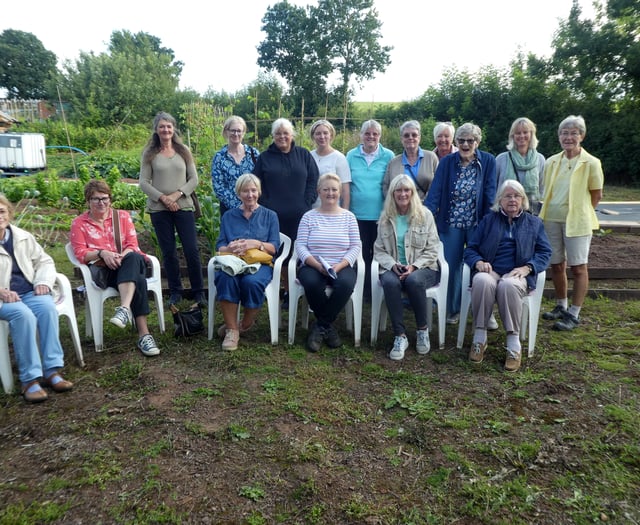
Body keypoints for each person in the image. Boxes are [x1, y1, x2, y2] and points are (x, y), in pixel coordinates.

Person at [463, 180, 552, 371]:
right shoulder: (488, 220)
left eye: (517, 196)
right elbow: (471, 249)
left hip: (516, 273)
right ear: (500, 200)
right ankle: (480, 338)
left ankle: (513, 343)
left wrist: (528, 268)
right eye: (508, 196)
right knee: (481, 280)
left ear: (523, 200)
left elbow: (545, 253)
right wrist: (478, 262)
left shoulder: (534, 223)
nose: (512, 200)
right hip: (492, 270)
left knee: (508, 285)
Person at [70, 180, 160, 357]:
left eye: (104, 198)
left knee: (133, 257)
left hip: (126, 261)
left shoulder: (122, 217)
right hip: (104, 271)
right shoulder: (79, 223)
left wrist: (119, 256)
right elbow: (81, 253)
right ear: (88, 201)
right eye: (95, 199)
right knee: (138, 279)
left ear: (110, 199)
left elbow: (132, 245)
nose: (101, 203)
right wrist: (103, 253)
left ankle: (124, 309)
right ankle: (144, 334)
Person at [0, 195, 73, 403]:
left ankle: (52, 370)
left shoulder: (22, 237)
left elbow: (45, 261)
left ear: (9, 213)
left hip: (28, 291)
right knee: (23, 316)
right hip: (4, 299)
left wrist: (43, 281)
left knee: (47, 308)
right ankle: (29, 379)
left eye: (2, 211)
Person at [424, 122, 497, 325]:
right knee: (451, 266)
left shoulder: (488, 161)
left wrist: (490, 223)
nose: (466, 144)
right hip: (451, 223)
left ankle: (484, 310)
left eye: (470, 140)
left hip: (477, 224)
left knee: (480, 266)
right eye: (462, 140)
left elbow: (491, 193)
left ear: (477, 142)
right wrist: (424, 217)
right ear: (456, 142)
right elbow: (435, 192)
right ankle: (452, 309)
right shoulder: (447, 162)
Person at [539, 115, 604, 331]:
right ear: (559, 136)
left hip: (578, 222)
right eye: (564, 133)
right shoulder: (551, 161)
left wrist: (581, 213)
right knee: (557, 264)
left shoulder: (592, 163)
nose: (568, 137)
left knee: (578, 267)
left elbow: (596, 194)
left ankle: (574, 313)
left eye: (573, 133)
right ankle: (561, 305)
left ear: (582, 136)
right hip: (551, 219)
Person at [139, 111, 205, 307]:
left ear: (174, 128)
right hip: (159, 209)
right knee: (168, 252)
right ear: (156, 130)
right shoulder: (150, 153)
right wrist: (163, 199)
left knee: (192, 250)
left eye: (169, 126)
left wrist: (176, 195)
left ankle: (198, 292)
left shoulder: (183, 150)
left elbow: (194, 179)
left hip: (183, 206)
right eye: (162, 126)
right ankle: (175, 291)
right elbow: (143, 182)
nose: (166, 130)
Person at [373, 175, 440, 361]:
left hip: (423, 267)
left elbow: (433, 249)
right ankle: (400, 335)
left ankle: (422, 330)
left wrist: (414, 266)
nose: (403, 194)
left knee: (413, 280)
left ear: (412, 193)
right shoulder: (386, 217)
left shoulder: (425, 215)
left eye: (407, 190)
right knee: (388, 282)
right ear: (393, 194)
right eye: (398, 190)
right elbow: (378, 250)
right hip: (394, 267)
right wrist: (392, 265)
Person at [295, 173, 361, 352]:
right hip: (313, 265)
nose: (330, 193)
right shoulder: (308, 216)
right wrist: (317, 265)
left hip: (341, 265)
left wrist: (338, 266)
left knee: (346, 284)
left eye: (334, 189)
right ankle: (328, 328)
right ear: (319, 192)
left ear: (339, 192)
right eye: (326, 189)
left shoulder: (349, 217)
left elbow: (356, 246)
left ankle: (320, 327)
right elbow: (300, 245)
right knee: (311, 283)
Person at [215, 173, 281, 351]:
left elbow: (274, 247)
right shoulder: (229, 216)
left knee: (251, 282)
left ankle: (244, 324)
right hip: (234, 261)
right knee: (225, 278)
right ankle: (232, 331)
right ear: (239, 193)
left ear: (259, 192)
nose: (250, 195)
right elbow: (219, 245)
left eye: (253, 190)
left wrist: (257, 244)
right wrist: (230, 248)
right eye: (245, 191)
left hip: (259, 264)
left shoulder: (270, 215)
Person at [346, 119, 394, 296]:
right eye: (367, 133)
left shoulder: (388, 155)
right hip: (356, 214)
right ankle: (362, 288)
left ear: (379, 136)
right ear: (361, 135)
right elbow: (346, 184)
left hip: (380, 215)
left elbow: (391, 184)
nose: (371, 137)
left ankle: (377, 288)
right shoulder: (351, 155)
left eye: (375, 133)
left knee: (379, 252)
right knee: (360, 252)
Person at [253, 118, 319, 244]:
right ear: (273, 136)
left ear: (292, 135)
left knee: (299, 253)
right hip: (273, 216)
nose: (282, 136)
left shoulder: (303, 154)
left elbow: (313, 179)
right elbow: (256, 183)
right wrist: (266, 204)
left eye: (285, 133)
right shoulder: (264, 157)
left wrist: (307, 201)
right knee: (277, 253)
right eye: (278, 133)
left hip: (301, 215)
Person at [211, 116, 260, 216]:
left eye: (239, 131)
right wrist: (239, 207)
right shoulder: (219, 157)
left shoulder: (253, 154)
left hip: (253, 209)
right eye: (233, 130)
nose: (236, 134)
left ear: (243, 132)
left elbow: (260, 180)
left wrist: (250, 205)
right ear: (226, 131)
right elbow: (218, 186)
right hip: (229, 211)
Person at [496, 117, 546, 215]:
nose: (522, 136)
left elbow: (542, 189)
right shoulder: (501, 159)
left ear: (531, 134)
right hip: (505, 214)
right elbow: (494, 189)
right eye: (518, 133)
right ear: (512, 136)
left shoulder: (540, 159)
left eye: (525, 132)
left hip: (531, 213)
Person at [382, 120, 439, 201]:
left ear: (419, 137)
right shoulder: (393, 162)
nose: (410, 138)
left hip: (425, 209)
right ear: (401, 139)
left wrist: (425, 205)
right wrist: (394, 204)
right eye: (406, 135)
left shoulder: (431, 158)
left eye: (414, 135)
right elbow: (386, 187)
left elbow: (438, 185)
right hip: (400, 210)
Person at [309, 119, 351, 209]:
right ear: (313, 136)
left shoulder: (339, 158)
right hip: (312, 209)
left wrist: (344, 213)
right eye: (318, 133)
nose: (322, 136)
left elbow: (345, 191)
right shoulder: (308, 156)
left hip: (333, 210)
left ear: (331, 135)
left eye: (325, 133)